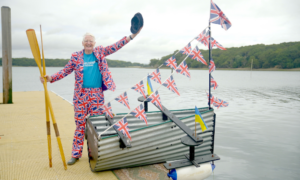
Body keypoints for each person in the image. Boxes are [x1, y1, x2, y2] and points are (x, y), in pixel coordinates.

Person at [40, 28, 142, 165]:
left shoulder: (100, 52)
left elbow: (115, 46)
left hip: (96, 95)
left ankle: (95, 153)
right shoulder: (76, 56)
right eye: (86, 41)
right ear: (82, 43)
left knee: (96, 125)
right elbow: (65, 71)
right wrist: (51, 78)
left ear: (94, 43)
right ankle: (75, 155)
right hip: (80, 96)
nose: (88, 43)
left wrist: (132, 36)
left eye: (91, 41)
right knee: (80, 125)